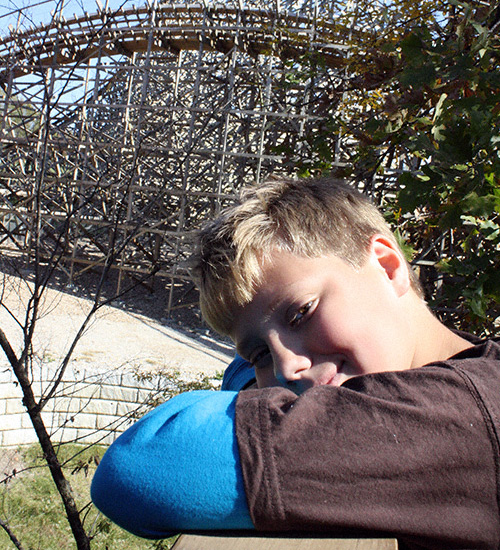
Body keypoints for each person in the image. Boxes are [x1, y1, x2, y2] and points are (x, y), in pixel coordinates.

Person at [91, 176, 500, 549]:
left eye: (301, 313)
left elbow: (140, 469)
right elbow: (240, 374)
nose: (286, 368)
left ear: (387, 265)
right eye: (261, 353)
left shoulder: (459, 416)